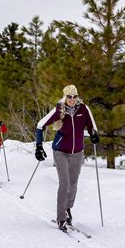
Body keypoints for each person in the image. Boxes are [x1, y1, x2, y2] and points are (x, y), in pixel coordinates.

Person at [35, 85, 100, 232]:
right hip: (60, 151)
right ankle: (61, 217)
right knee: (64, 183)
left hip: (77, 152)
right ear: (65, 97)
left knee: (73, 184)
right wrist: (39, 146)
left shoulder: (84, 109)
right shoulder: (59, 109)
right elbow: (40, 125)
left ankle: (68, 208)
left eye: (74, 96)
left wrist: (94, 135)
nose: (72, 99)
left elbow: (92, 127)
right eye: (69, 97)